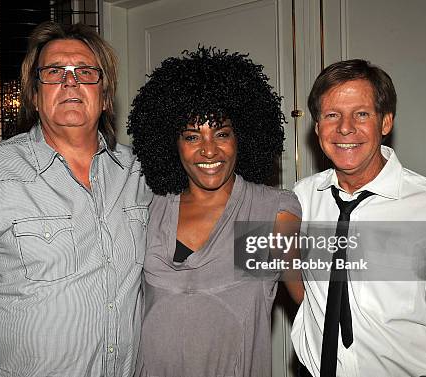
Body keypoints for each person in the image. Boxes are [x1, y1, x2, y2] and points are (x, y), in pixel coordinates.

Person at [0, 21, 151, 376]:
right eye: (54, 72)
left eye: (85, 72)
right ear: (34, 96)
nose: (70, 82)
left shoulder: (140, 174)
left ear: (106, 95)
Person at [291, 59, 426, 377]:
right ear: (317, 128)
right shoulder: (301, 199)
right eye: (331, 115)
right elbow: (274, 263)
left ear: (386, 122)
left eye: (362, 114)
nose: (345, 128)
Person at [127, 47, 303, 377]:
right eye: (192, 136)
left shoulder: (267, 212)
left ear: (243, 138)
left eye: (222, 133)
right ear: (171, 143)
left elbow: (313, 303)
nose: (209, 150)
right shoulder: (152, 207)